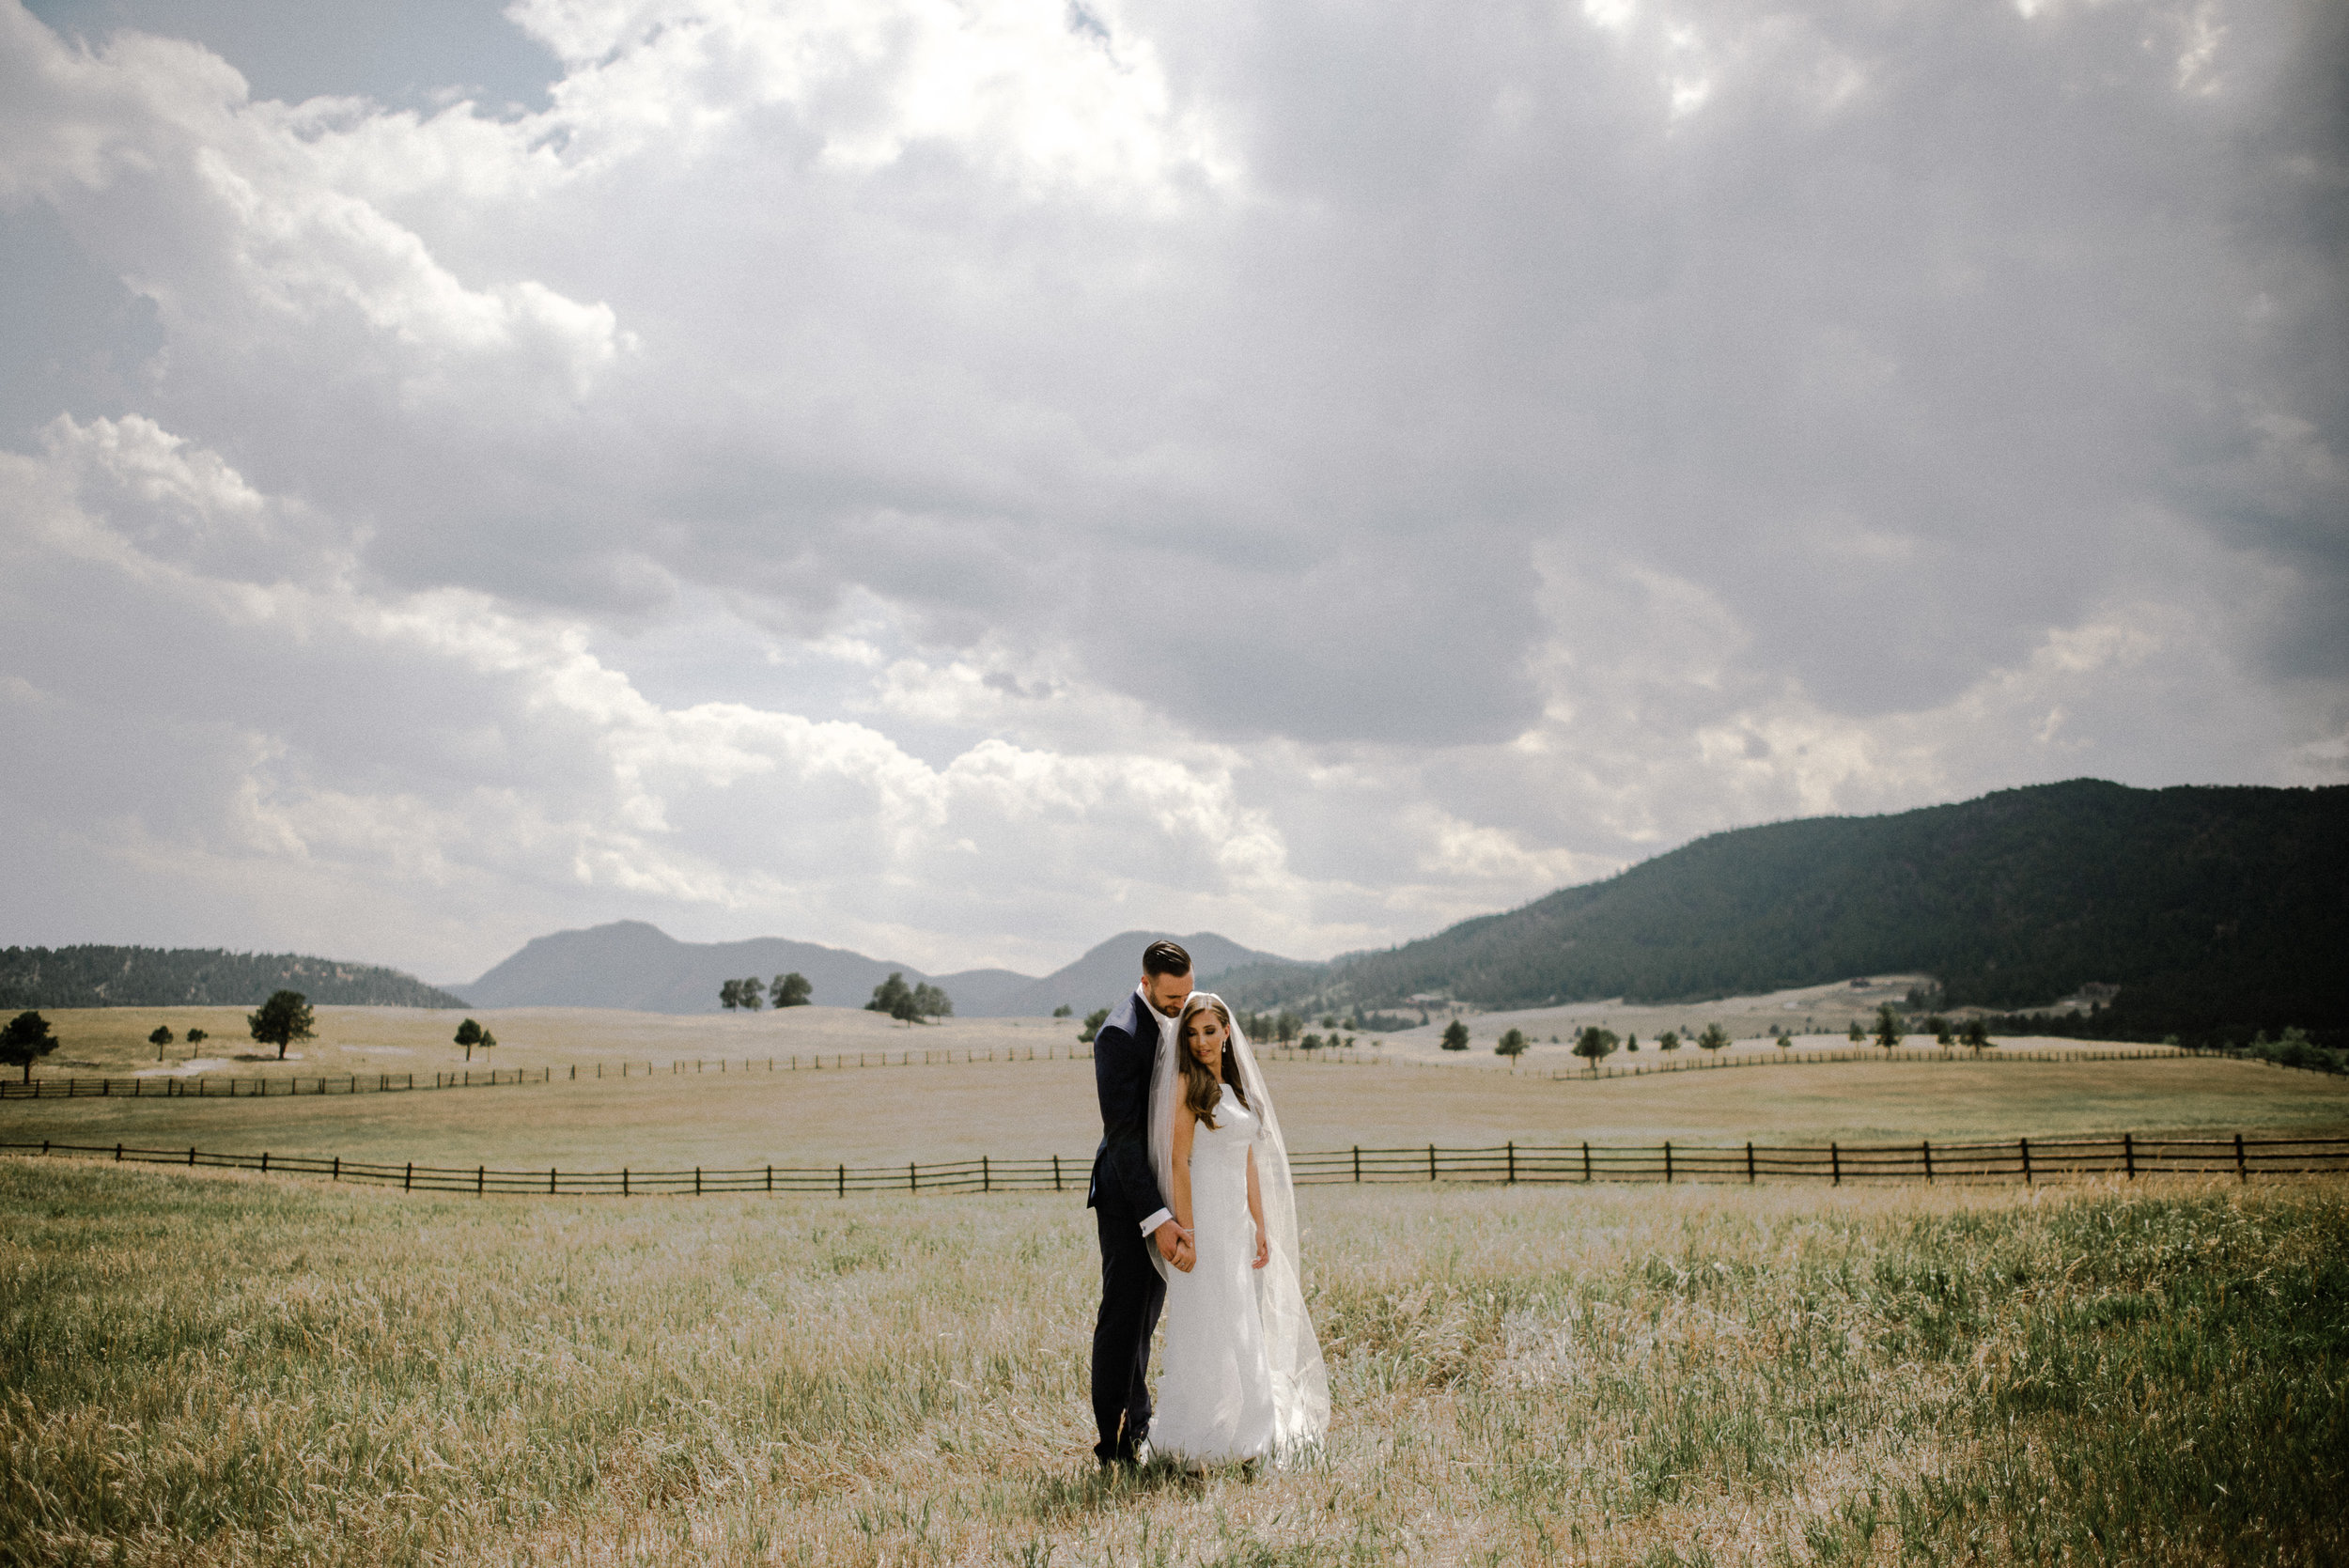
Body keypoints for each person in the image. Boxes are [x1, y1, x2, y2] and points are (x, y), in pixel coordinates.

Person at [1146, 991, 1329, 1467]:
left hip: (1235, 1224)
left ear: (1227, 1032)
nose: (1202, 1041)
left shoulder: (1232, 1086)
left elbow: (1246, 1155)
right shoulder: (1187, 1083)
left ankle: (1249, 1421)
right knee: (1206, 1317)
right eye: (1192, 1032)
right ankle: (1199, 1428)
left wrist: (1260, 1223)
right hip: (1202, 1219)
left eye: (1210, 1030)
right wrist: (1187, 1230)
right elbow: (1177, 1162)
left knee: (1240, 1319)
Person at [1086, 939, 1197, 1467]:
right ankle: (1113, 1443)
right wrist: (1156, 1221)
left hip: (1165, 1193)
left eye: (1187, 994)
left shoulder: (1178, 1017)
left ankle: (1140, 1424)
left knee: (1145, 1319)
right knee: (1124, 1318)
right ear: (1146, 981)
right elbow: (1125, 1138)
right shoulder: (1118, 1034)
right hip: (1128, 1199)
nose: (1181, 1005)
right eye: (1172, 997)